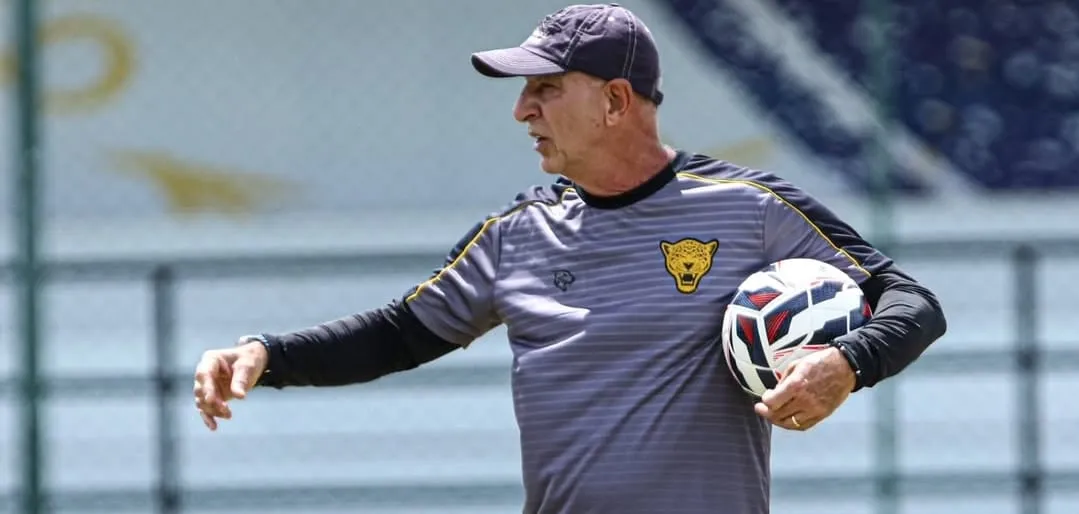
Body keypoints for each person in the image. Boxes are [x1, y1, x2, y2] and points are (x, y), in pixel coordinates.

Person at [192, 3, 947, 513]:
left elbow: (912, 303)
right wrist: (268, 353)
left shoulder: (749, 209)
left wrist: (845, 363)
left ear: (615, 101)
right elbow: (397, 334)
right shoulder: (513, 235)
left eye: (545, 90)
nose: (521, 110)